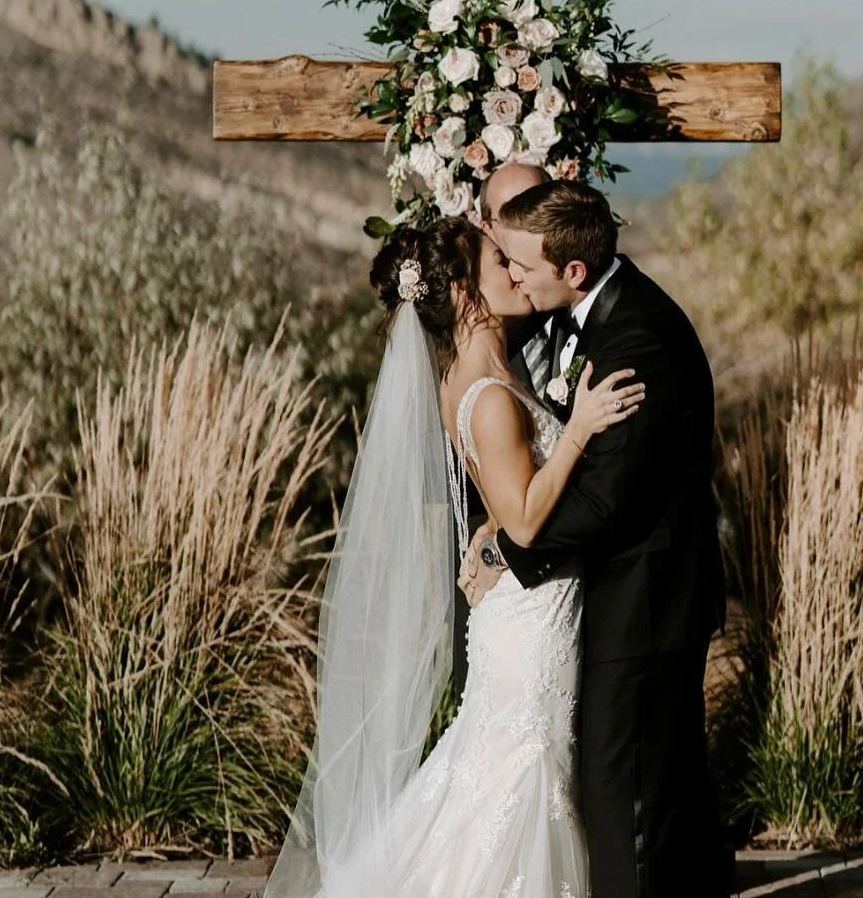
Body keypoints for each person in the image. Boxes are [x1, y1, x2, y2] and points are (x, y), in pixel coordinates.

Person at [264, 214, 645, 898]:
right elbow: (527, 521)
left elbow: (502, 506)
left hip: (532, 606)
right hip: (529, 618)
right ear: (468, 292)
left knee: (504, 770)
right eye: (501, 263)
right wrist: (581, 430)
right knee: (521, 775)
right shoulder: (490, 394)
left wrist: (486, 532)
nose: (516, 273)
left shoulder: (483, 373)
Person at [463, 180, 732, 898]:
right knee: (653, 786)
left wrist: (508, 550)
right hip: (624, 598)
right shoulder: (591, 315)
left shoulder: (635, 339)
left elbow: (609, 501)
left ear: (571, 271)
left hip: (646, 601)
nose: (513, 277)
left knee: (625, 804)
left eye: (521, 264)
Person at [450, 161, 550, 704]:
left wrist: (491, 541)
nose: (517, 266)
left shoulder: (504, 356)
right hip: (523, 607)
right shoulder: (480, 385)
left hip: (551, 604)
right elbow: (517, 511)